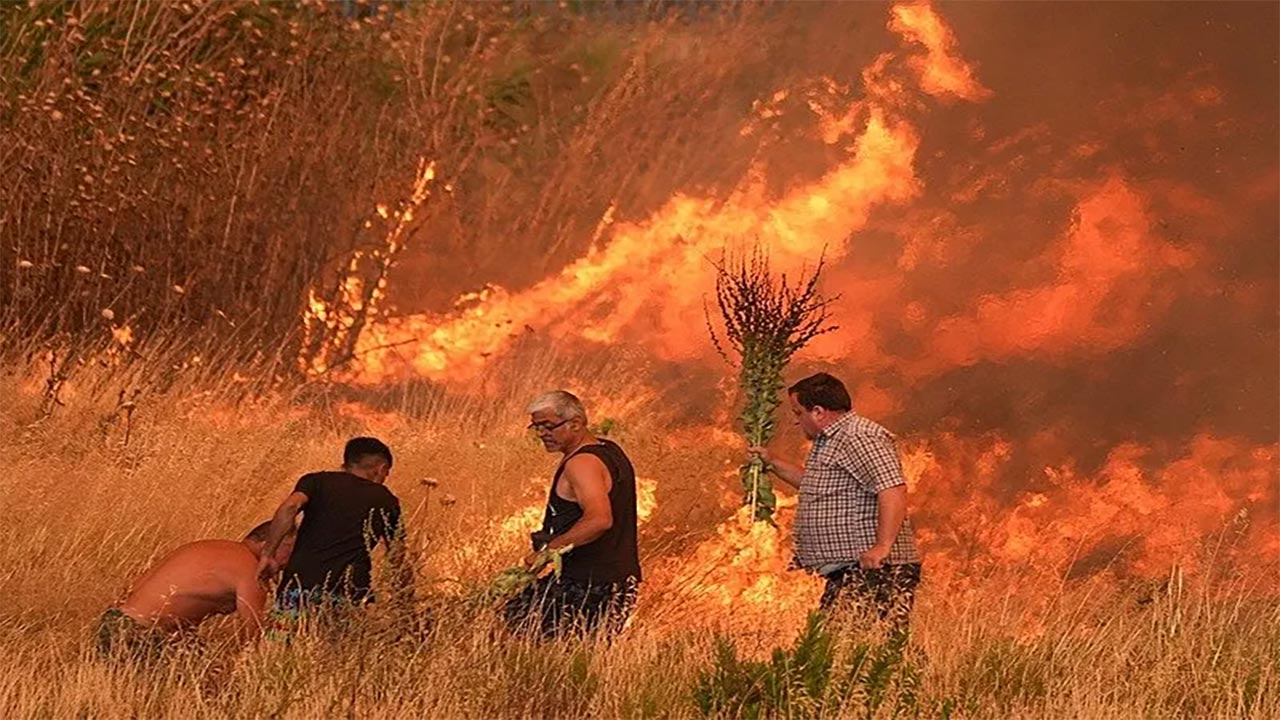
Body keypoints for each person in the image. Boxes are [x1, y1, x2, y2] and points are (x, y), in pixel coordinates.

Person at [748, 372, 922, 634]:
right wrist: (771, 461)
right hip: (852, 571)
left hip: (874, 569)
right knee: (840, 645)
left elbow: (892, 488)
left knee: (855, 646)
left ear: (818, 411)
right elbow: (816, 485)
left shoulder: (859, 436)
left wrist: (882, 546)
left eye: (798, 413)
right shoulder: (832, 440)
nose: (796, 421)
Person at [504, 390, 641, 638]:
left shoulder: (581, 464)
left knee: (510, 629)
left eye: (548, 426)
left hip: (587, 584)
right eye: (536, 427)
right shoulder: (608, 450)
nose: (542, 433)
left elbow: (599, 520)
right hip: (618, 581)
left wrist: (548, 551)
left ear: (576, 423)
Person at [257, 437, 411, 617]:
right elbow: (397, 554)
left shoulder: (316, 481)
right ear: (381, 468)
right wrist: (404, 598)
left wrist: (268, 553)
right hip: (349, 593)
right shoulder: (386, 500)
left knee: (284, 633)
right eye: (386, 474)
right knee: (343, 636)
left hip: (298, 588)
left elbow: (290, 507)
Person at [97, 521, 295, 657]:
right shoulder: (251, 569)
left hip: (112, 622)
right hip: (140, 634)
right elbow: (251, 641)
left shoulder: (215, 548)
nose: (290, 562)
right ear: (270, 544)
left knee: (199, 658)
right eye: (290, 551)